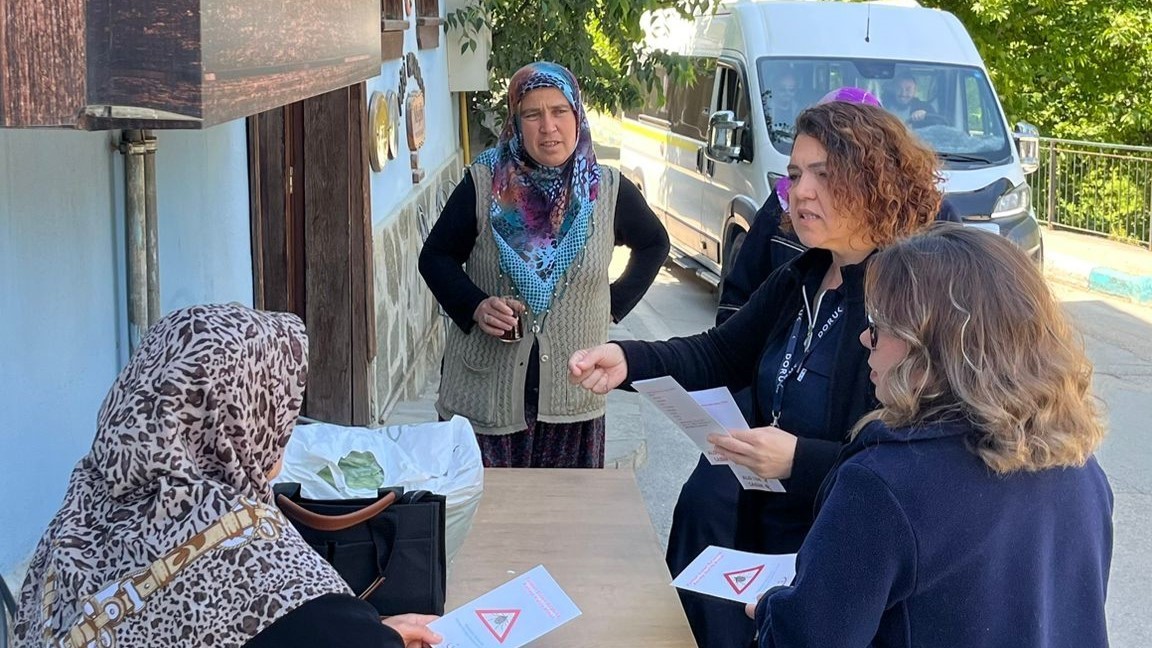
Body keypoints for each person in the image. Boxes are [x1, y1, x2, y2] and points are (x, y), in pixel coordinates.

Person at [568, 101, 941, 647]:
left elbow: (919, 462)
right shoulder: (801, 277)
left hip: (840, 555)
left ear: (873, 181)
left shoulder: (908, 302)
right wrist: (629, 360)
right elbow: (719, 352)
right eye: (794, 174)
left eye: (823, 175)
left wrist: (799, 460)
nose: (800, 191)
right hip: (763, 534)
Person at [750, 224, 1113, 647]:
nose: (865, 338)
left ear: (929, 347)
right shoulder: (1082, 470)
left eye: (878, 325)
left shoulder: (882, 484)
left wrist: (771, 610)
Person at [11, 304, 442, 648]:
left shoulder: (76, 522)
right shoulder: (251, 561)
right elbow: (310, 628)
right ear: (236, 421)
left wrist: (371, 632)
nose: (284, 431)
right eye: (278, 409)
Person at [419, 62, 669, 469]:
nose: (548, 126)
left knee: (563, 509)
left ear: (577, 115)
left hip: (572, 402)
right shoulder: (485, 183)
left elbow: (655, 244)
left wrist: (611, 305)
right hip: (484, 400)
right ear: (516, 123)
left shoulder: (606, 190)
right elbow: (435, 256)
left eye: (559, 111)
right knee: (486, 510)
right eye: (533, 114)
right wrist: (476, 305)